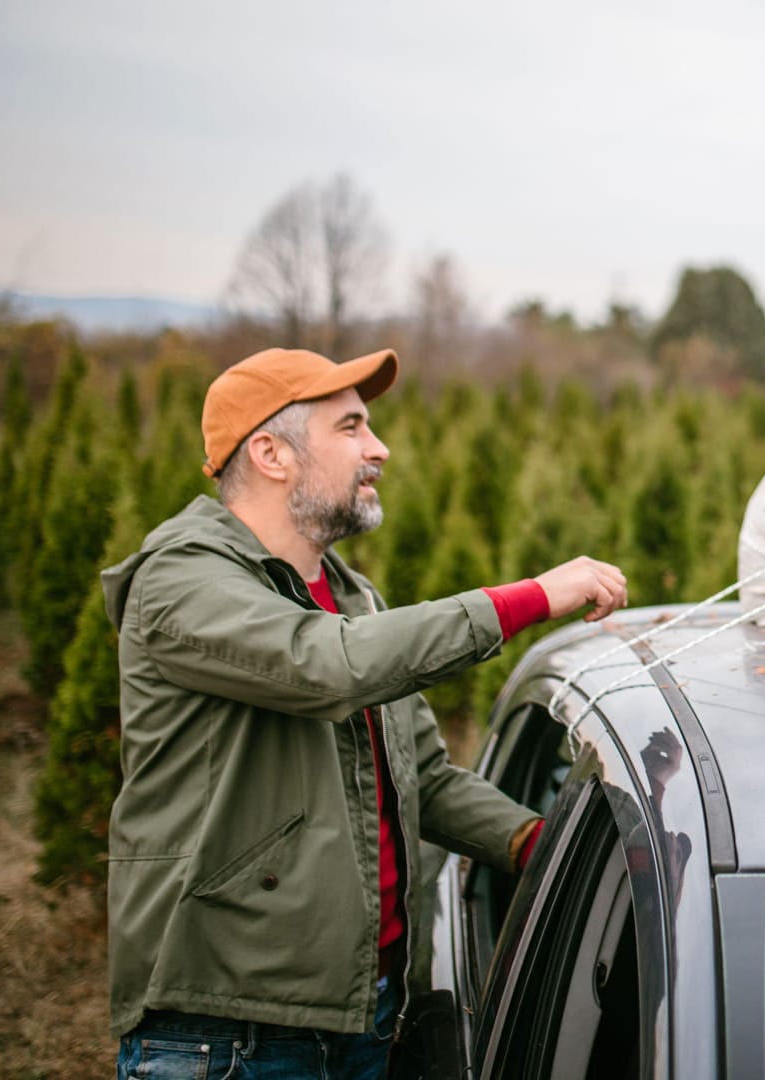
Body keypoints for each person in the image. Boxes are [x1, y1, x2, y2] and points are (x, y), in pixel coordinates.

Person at [103, 347, 628, 1079]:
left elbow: (427, 782)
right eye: (351, 427)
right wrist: (530, 598)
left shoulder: (354, 599)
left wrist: (536, 843)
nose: (378, 449)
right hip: (230, 1035)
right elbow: (326, 666)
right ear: (270, 453)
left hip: (367, 1014)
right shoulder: (181, 579)